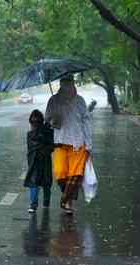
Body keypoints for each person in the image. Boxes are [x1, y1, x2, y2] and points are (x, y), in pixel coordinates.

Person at [45, 75, 93, 214]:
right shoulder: (53, 100)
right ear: (60, 84)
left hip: (78, 142)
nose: (66, 85)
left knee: (75, 174)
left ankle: (66, 201)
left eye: (69, 82)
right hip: (60, 141)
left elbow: (87, 122)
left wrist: (89, 145)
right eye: (64, 83)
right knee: (60, 173)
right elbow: (47, 118)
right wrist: (53, 119)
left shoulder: (80, 101)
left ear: (73, 83)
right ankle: (67, 197)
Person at [24, 109, 54, 213]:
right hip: (37, 162)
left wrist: (46, 129)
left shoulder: (45, 132)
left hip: (40, 162)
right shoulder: (33, 134)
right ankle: (40, 203)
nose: (33, 124)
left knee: (39, 183)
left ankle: (38, 204)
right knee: (39, 183)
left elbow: (51, 146)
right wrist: (45, 128)